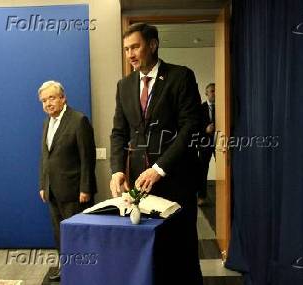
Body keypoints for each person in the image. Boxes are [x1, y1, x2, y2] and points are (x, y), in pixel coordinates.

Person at [110, 23, 203, 284]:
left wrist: (160, 168)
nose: (130, 54)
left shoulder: (180, 77)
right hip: (139, 185)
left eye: (135, 47)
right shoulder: (124, 85)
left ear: (152, 45)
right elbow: (119, 132)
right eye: (126, 49)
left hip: (175, 180)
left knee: (180, 251)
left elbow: (190, 128)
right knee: (149, 251)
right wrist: (117, 169)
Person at [38, 80, 97, 281]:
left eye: (52, 98)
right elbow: (45, 156)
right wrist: (43, 185)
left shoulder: (79, 120)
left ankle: (83, 273)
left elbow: (87, 158)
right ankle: (67, 269)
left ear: (63, 98)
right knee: (59, 234)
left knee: (77, 234)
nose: (48, 103)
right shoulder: (47, 122)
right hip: (53, 190)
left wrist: (86, 188)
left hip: (75, 192)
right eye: (44, 100)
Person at [198, 83, 216, 206]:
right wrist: (205, 130)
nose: (215, 94)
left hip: (220, 142)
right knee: (202, 170)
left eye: (216, 91)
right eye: (212, 91)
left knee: (225, 170)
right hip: (204, 143)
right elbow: (194, 127)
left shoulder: (223, 108)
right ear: (206, 93)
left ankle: (226, 197)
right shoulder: (200, 108)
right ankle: (202, 197)